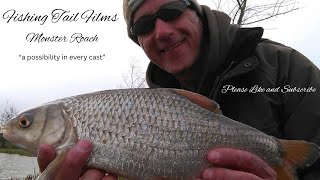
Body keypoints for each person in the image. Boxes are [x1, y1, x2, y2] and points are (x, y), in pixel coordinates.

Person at [38, 0, 320, 179]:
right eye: (144, 25)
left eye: (171, 11)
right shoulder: (142, 107)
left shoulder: (286, 69)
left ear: (195, 12)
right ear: (140, 42)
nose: (161, 31)